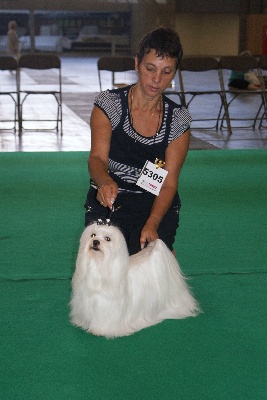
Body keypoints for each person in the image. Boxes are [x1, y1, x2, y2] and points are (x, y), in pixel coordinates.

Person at [84, 26, 192, 256]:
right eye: (150, 68)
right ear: (137, 64)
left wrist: (153, 223)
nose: (156, 79)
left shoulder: (178, 121)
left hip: (154, 204)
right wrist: (104, 182)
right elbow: (96, 158)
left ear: (174, 73)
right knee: (105, 264)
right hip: (110, 200)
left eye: (166, 72)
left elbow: (169, 183)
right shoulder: (109, 104)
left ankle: (166, 250)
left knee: (149, 267)